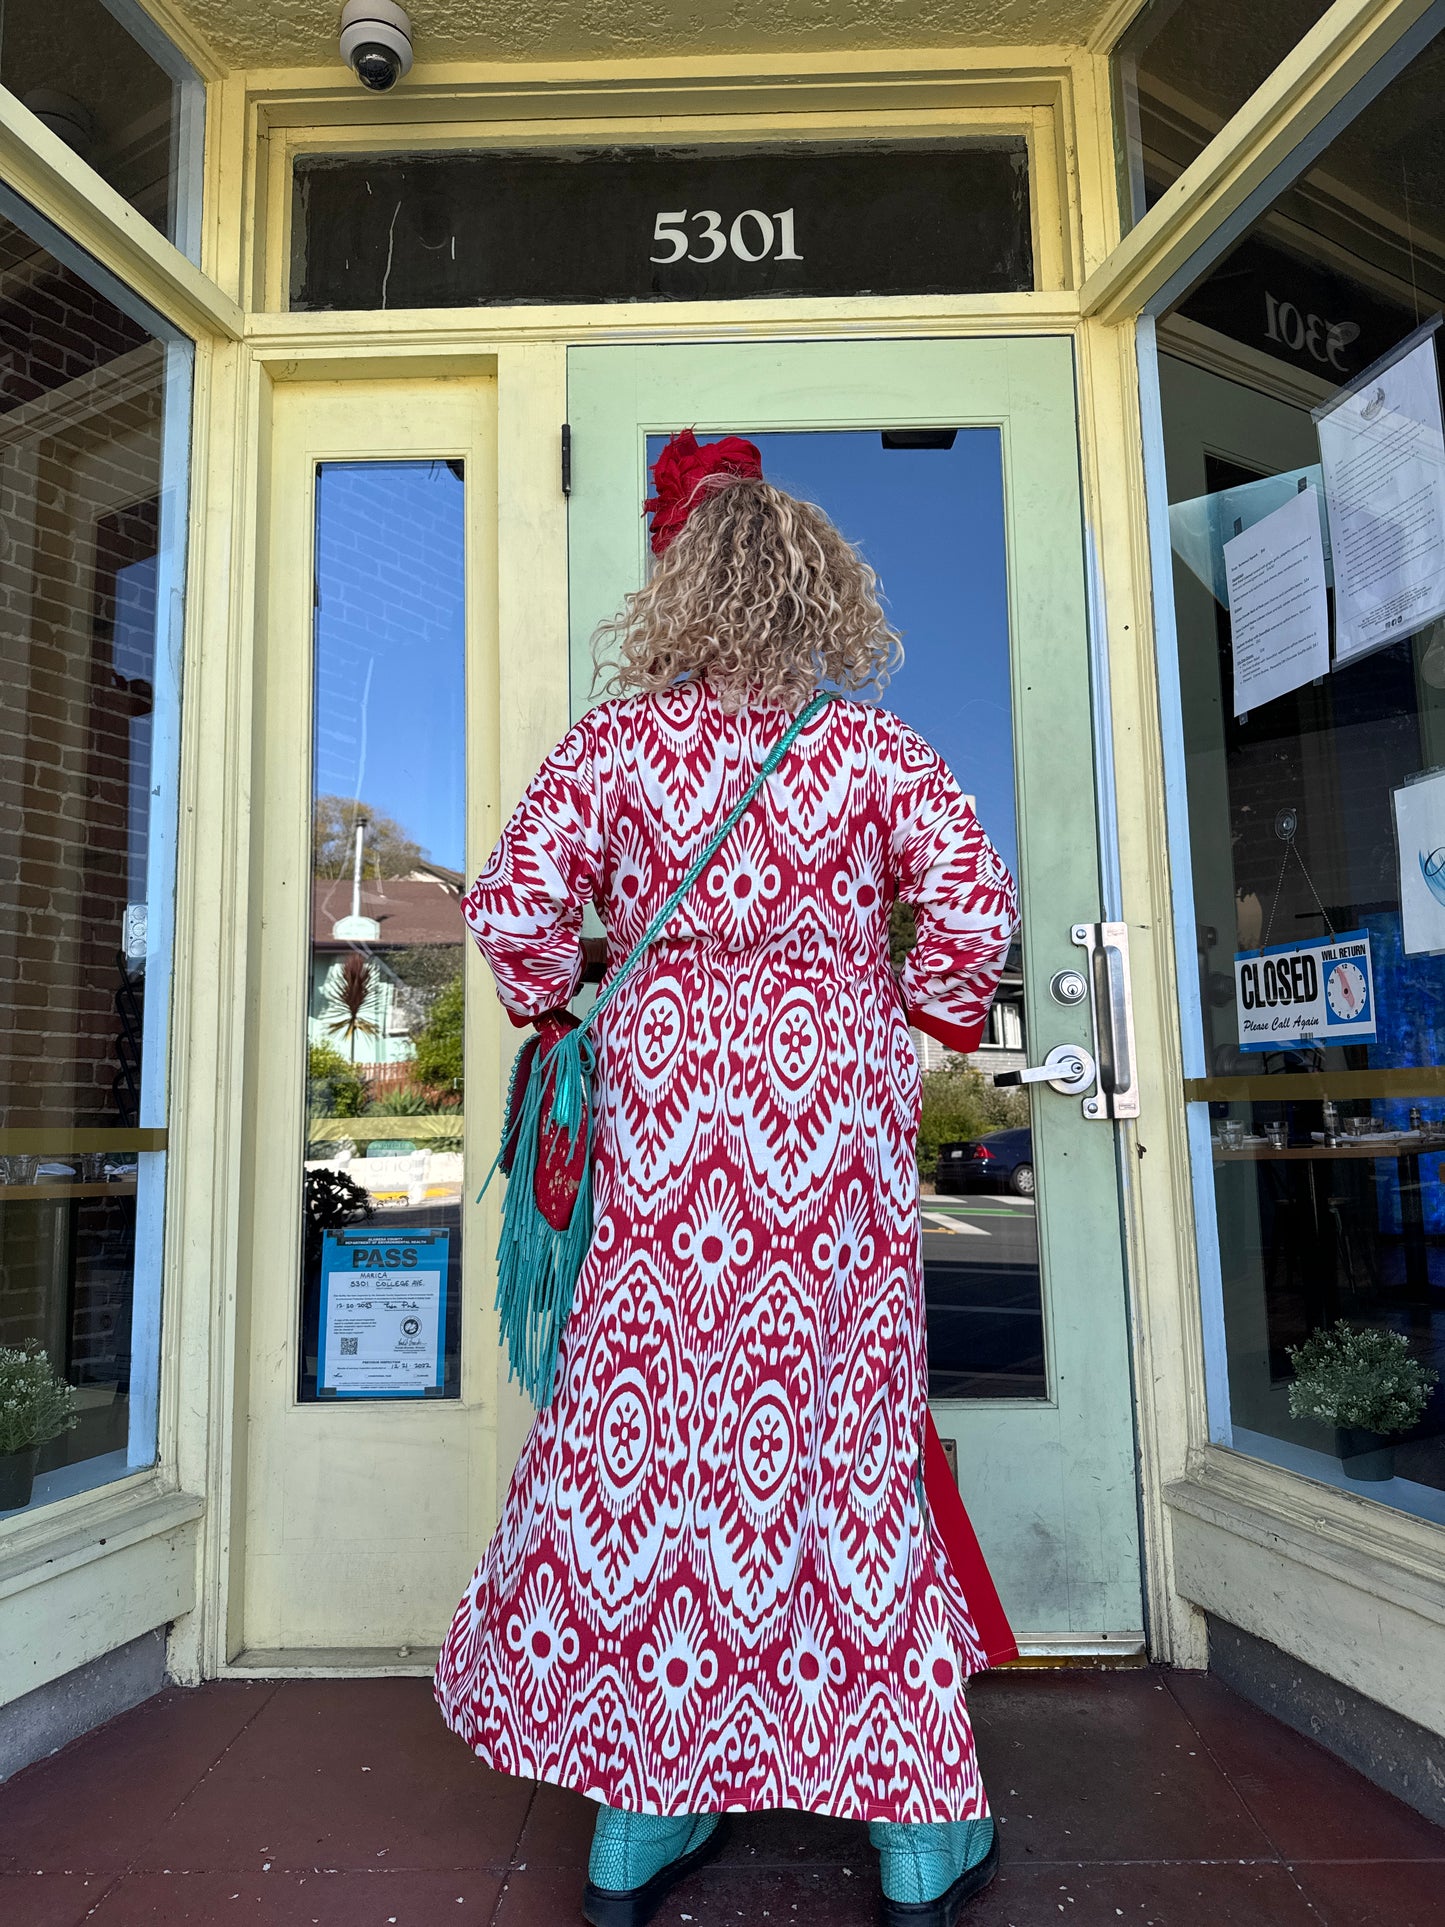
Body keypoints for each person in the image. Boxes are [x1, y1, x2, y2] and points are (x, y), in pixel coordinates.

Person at [435, 431, 1019, 1927]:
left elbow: (510, 918)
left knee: (652, 1436)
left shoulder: (613, 748)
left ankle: (642, 1809)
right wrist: (903, 1013)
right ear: (825, 595)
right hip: (825, 1124)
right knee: (833, 1438)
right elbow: (971, 919)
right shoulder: (876, 753)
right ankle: (909, 1830)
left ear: (681, 592)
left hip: (667, 1113)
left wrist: (575, 1008)